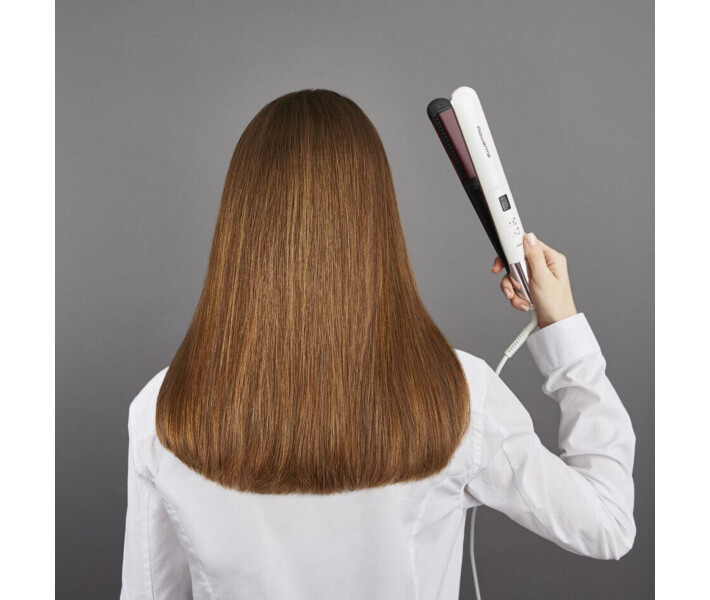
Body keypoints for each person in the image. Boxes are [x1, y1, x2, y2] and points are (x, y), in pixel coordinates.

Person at [120, 89, 635, 600]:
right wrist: (561, 325)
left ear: (241, 224)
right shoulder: (458, 396)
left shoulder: (163, 411)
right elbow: (607, 522)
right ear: (376, 219)